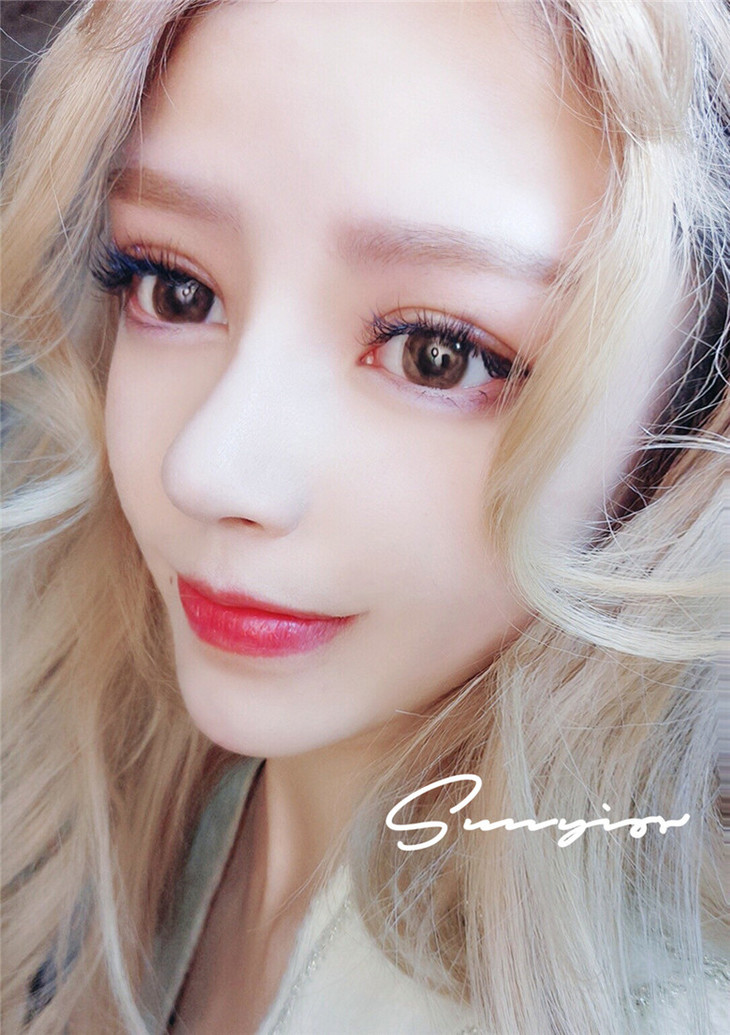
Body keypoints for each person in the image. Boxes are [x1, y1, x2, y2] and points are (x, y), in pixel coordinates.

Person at [2, 0, 728, 1032]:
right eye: (173, 287)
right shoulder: (89, 801)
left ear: (689, 406)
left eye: (437, 354)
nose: (211, 469)